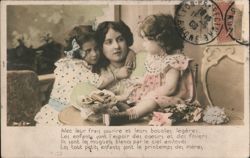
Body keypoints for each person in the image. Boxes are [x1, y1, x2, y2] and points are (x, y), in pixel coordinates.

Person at [103, 14, 196, 126]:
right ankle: (124, 108)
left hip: (172, 100)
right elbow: (151, 78)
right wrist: (138, 84)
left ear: (161, 41)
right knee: (132, 93)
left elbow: (170, 88)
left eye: (146, 40)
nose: (143, 44)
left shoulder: (173, 60)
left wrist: (151, 95)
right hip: (155, 96)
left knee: (152, 102)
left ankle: (129, 115)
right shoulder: (154, 57)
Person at [34, 25, 132, 126]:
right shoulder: (76, 66)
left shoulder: (67, 63)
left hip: (60, 111)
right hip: (59, 116)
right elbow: (99, 82)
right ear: (77, 51)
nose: (94, 54)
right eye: (88, 51)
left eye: (96, 49)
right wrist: (117, 75)